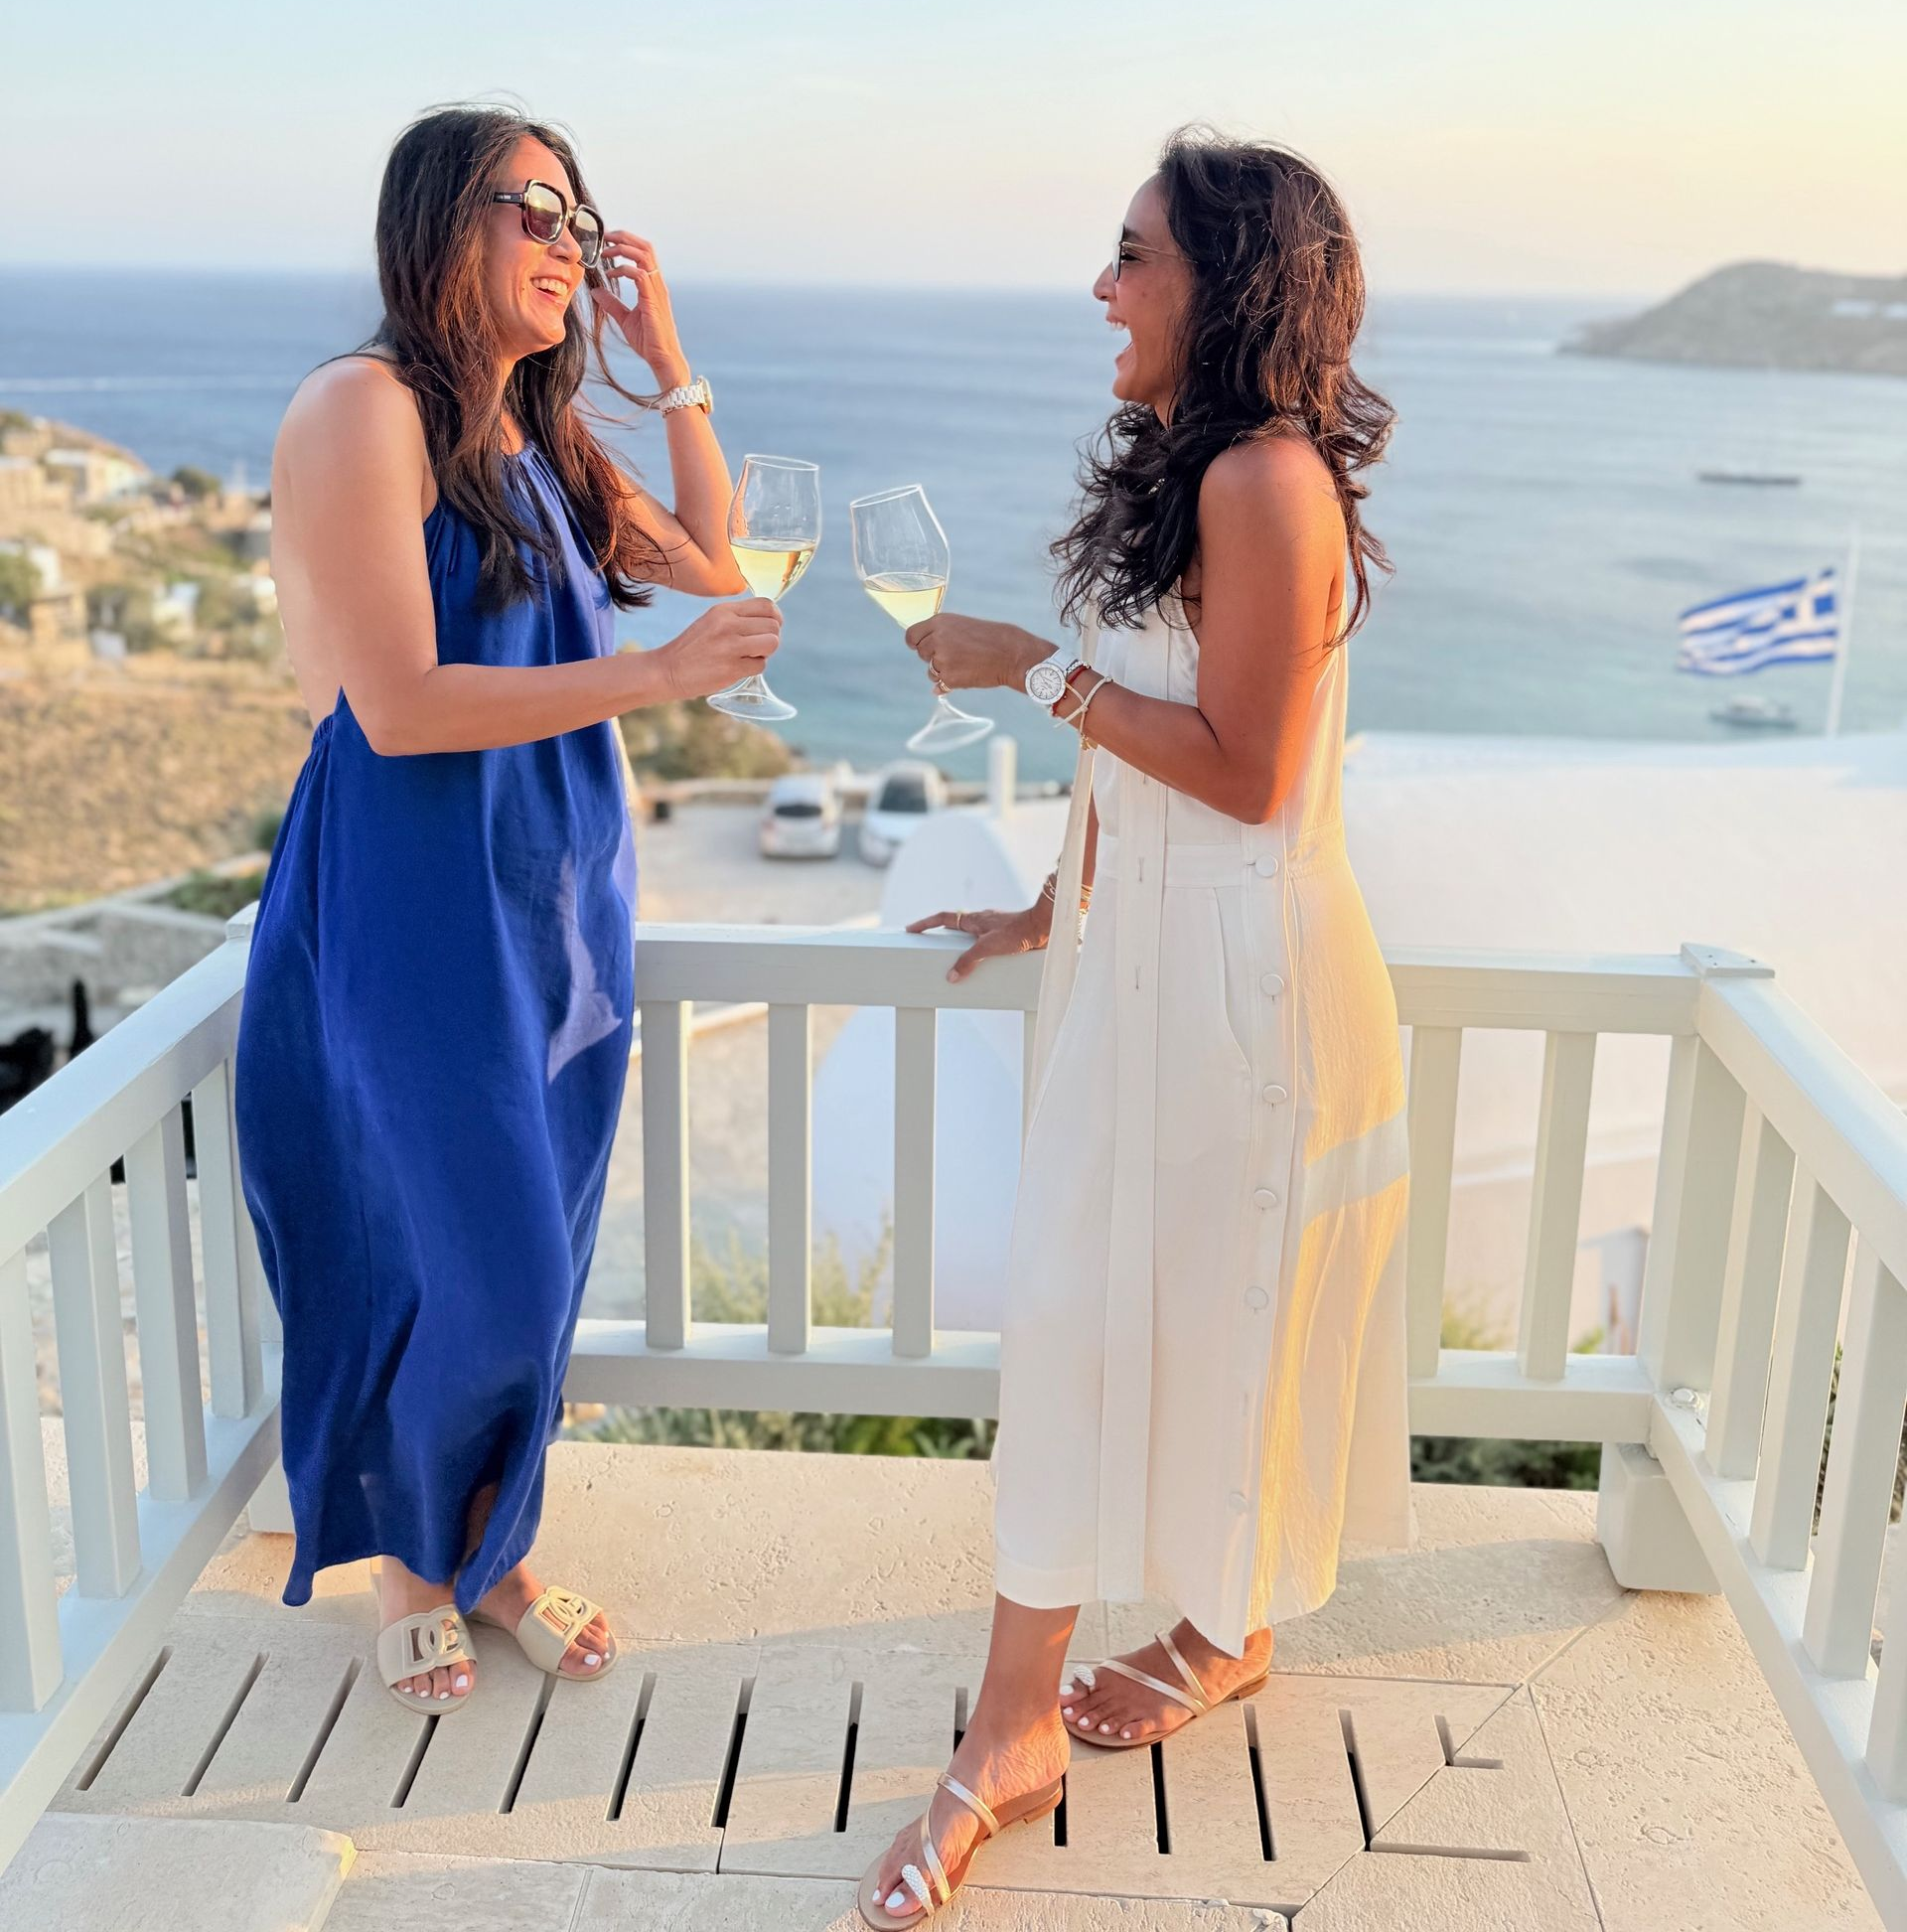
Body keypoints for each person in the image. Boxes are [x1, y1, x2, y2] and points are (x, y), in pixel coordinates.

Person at [859, 128, 1409, 1925]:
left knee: (1163, 1321)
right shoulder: (1199, 474)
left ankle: (1066, 1701)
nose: (1105, 284)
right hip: (1149, 967)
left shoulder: (1264, 482)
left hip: (1248, 990)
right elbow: (1161, 754)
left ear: (1228, 285)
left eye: (1135, 256)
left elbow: (1251, 777)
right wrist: (1049, 903)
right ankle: (1140, 1664)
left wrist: (1031, 665)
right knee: (1116, 1317)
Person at [234, 105, 780, 1710]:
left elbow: (710, 554)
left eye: (577, 214)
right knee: (463, 1250)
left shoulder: (526, 437)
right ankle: (430, 1557)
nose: (565, 239)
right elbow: (395, 707)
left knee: (538, 1232)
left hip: (552, 883)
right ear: (439, 224)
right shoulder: (367, 406)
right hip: (412, 880)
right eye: (530, 210)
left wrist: (665, 355)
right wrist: (655, 680)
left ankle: (484, 1544)